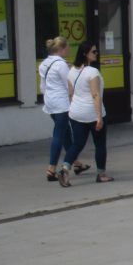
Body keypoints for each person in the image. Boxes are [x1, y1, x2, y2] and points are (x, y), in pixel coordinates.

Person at [58, 41, 113, 186]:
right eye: (93, 52)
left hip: (76, 113)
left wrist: (73, 109)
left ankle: (65, 167)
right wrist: (99, 117)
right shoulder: (92, 72)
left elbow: (70, 93)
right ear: (85, 54)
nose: (96, 54)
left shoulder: (71, 71)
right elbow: (95, 95)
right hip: (92, 113)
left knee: (77, 143)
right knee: (100, 144)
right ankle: (101, 174)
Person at [37, 37, 89, 182]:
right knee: (59, 134)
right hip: (61, 103)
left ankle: (76, 163)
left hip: (50, 102)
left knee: (65, 132)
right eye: (67, 48)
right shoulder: (61, 65)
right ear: (61, 49)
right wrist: (76, 98)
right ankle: (51, 168)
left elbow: (43, 86)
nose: (69, 50)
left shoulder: (44, 64)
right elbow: (69, 84)